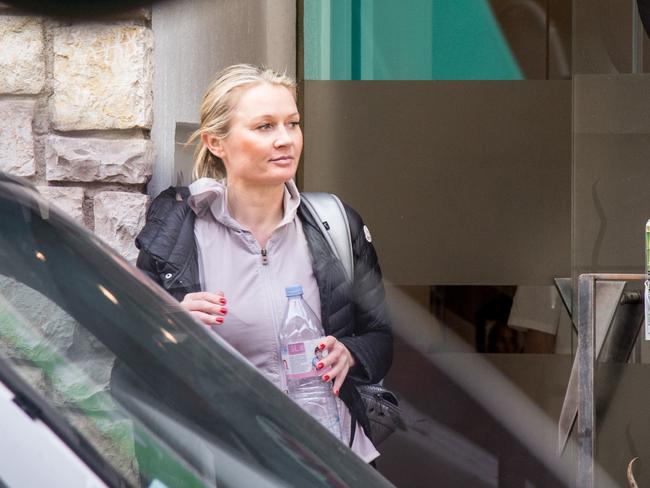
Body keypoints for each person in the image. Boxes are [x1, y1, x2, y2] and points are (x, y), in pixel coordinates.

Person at [134, 64, 393, 463]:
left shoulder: (335, 225)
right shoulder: (175, 235)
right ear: (215, 142)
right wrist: (168, 321)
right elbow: (129, 350)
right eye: (264, 127)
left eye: (293, 123)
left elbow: (379, 337)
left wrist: (351, 353)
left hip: (331, 461)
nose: (285, 139)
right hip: (229, 466)